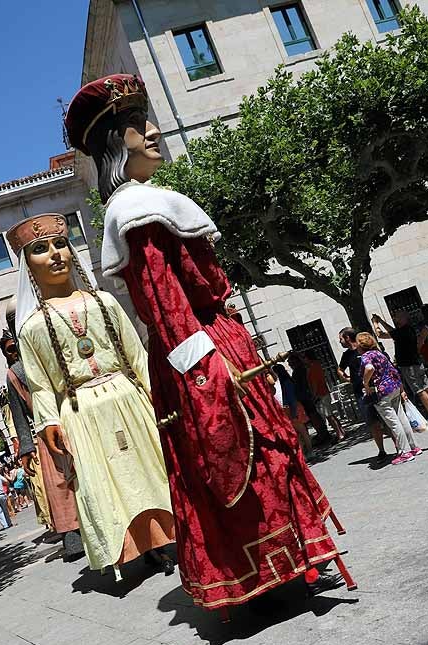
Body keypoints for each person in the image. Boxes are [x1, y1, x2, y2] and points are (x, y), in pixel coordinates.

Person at [66, 73, 352, 608]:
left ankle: (288, 563)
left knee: (266, 451)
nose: (152, 132)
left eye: (147, 121)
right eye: (135, 127)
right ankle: (260, 575)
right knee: (235, 456)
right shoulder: (135, 212)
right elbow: (164, 302)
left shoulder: (152, 201)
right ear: (113, 143)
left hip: (216, 340)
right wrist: (204, 374)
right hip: (201, 353)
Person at [9, 212, 177, 578]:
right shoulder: (31, 327)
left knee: (150, 470)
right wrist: (48, 422)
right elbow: (39, 384)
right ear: (28, 266)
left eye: (60, 244)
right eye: (40, 249)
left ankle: (168, 540)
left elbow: (136, 354)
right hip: (80, 412)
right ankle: (128, 549)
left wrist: (155, 394)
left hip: (129, 400)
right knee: (103, 484)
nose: (54, 254)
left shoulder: (105, 301)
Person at [1, 320, 81, 557]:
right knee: (59, 487)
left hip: (70, 420)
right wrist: (26, 448)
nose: (15, 352)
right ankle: (72, 538)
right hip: (45, 434)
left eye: (16, 346)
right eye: (9, 350)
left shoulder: (44, 356)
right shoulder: (13, 375)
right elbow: (19, 416)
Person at [358, 333, 422, 465]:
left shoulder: (366, 356)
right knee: (401, 417)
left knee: (393, 422)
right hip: (394, 387)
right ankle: (414, 447)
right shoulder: (379, 353)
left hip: (381, 392)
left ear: (360, 345)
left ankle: (404, 452)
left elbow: (369, 368)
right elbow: (394, 370)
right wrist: (402, 388)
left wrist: (365, 383)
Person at [373, 312, 428, 423]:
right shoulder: (408, 329)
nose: (395, 318)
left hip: (408, 365)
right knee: (427, 387)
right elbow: (391, 332)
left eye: (397, 316)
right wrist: (381, 321)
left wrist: (375, 323)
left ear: (404, 318)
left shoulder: (401, 331)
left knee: (420, 390)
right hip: (416, 362)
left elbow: (380, 334)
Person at [339, 328, 393, 458]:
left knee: (387, 419)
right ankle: (381, 450)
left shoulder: (364, 348)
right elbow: (340, 370)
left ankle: (399, 445)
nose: (339, 341)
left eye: (341, 338)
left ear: (347, 337)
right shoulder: (346, 355)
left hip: (376, 389)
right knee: (372, 422)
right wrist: (348, 379)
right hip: (360, 392)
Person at [288, 354, 330, 447]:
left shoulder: (299, 371)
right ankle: (322, 434)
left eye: (291, 362)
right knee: (313, 416)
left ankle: (323, 434)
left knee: (314, 416)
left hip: (306, 397)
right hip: (305, 397)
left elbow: (303, 384)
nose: (289, 364)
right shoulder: (299, 370)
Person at [272, 363, 314, 457]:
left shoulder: (286, 382)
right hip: (292, 408)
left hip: (293, 408)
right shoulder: (286, 381)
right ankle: (304, 452)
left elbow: (291, 398)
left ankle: (310, 450)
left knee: (302, 432)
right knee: (299, 432)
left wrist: (294, 413)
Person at [304, 351, 347, 440]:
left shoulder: (312, 367)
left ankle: (339, 434)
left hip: (320, 394)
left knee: (329, 416)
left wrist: (314, 395)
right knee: (330, 414)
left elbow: (315, 382)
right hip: (324, 392)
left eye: (304, 358)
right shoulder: (317, 364)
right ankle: (341, 431)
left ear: (308, 358)